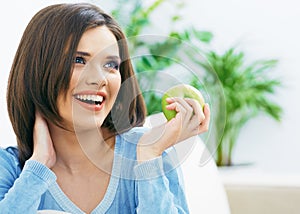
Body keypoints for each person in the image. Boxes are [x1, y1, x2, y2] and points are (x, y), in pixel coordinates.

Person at [0, 3, 210, 213]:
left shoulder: (151, 151)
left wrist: (149, 157)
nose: (100, 79)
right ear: (39, 70)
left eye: (110, 65)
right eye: (79, 60)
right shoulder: (9, 168)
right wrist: (39, 165)